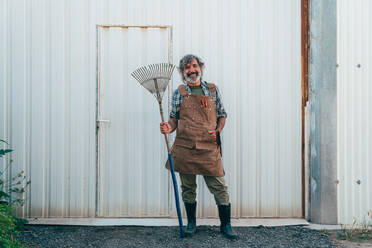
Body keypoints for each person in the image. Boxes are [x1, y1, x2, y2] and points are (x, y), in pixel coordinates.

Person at [160, 54, 237, 239]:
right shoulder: (179, 92)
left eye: (194, 66)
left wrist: (217, 130)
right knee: (188, 187)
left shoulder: (211, 90)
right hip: (185, 147)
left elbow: (222, 114)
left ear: (200, 67)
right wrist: (168, 128)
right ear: (182, 72)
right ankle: (191, 223)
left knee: (219, 186)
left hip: (209, 147)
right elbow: (173, 118)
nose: (191, 70)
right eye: (187, 68)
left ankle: (225, 225)